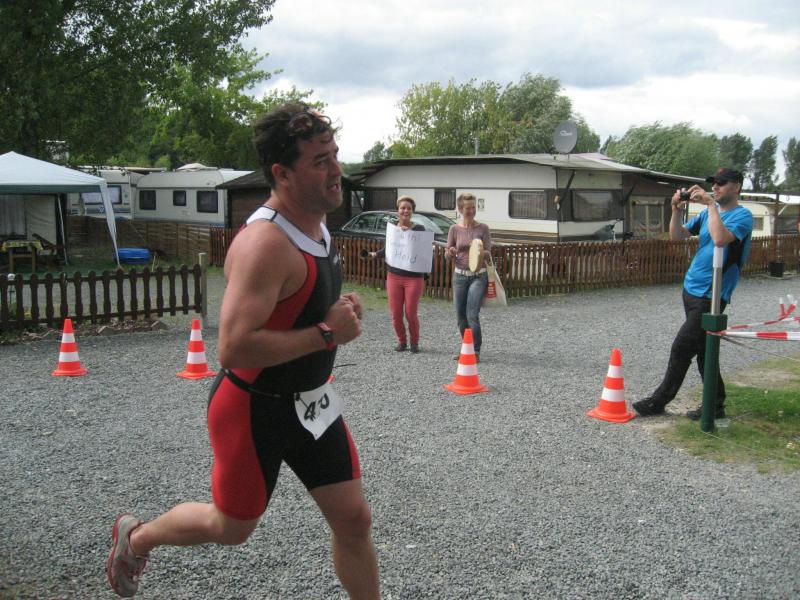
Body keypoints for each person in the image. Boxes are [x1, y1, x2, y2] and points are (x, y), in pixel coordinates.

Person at [106, 104, 380, 599]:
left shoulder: (316, 223)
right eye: (320, 161)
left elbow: (295, 307)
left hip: (311, 403)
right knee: (231, 527)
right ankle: (138, 537)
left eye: (335, 155)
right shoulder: (265, 244)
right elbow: (232, 347)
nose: (337, 170)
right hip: (254, 410)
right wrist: (325, 333)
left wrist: (336, 313)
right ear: (282, 174)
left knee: (354, 520)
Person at [633, 168, 753, 420]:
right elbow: (677, 236)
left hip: (713, 294)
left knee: (682, 347)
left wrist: (709, 204)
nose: (715, 187)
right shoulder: (710, 212)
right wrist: (676, 209)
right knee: (704, 349)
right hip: (691, 289)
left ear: (737, 187)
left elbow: (720, 239)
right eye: (713, 183)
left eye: (722, 183)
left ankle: (659, 401)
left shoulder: (742, 216)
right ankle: (716, 404)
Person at [366, 196, 426, 353]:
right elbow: (389, 248)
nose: (405, 211)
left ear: (412, 211)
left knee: (410, 314)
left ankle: (414, 342)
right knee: (396, 314)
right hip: (394, 276)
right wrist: (375, 254)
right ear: (397, 210)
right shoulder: (393, 229)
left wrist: (408, 235)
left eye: (409, 208)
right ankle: (402, 341)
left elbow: (423, 249)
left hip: (414, 278)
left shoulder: (419, 229)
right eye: (402, 208)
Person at [446, 192, 492, 361]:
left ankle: (476, 351)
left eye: (473, 207)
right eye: (468, 208)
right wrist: (450, 252)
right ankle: (467, 348)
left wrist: (478, 249)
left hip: (478, 276)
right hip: (460, 276)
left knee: (472, 313)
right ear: (460, 209)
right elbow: (447, 254)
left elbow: (489, 253)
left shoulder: (483, 228)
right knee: (460, 316)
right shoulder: (454, 229)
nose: (471, 211)